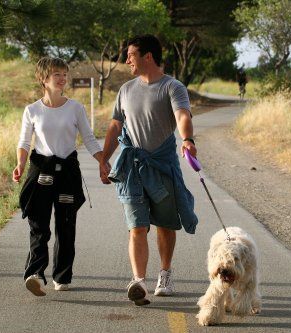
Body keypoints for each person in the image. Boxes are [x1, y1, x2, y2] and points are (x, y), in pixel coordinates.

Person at [99, 34, 198, 306]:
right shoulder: (126, 90)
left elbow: (182, 116)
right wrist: (104, 159)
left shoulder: (172, 87)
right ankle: (139, 281)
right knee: (137, 225)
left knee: (166, 224)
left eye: (131, 54)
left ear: (148, 57)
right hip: (133, 167)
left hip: (162, 164)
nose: (127, 59)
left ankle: (165, 274)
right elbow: (115, 126)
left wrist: (188, 139)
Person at [13, 57, 105, 296]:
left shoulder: (75, 108)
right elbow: (24, 142)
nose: (63, 78)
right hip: (41, 170)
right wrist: (20, 165)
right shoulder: (32, 110)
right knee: (38, 225)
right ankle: (35, 273)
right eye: (57, 74)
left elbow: (89, 139)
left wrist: (103, 162)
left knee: (66, 226)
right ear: (44, 78)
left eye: (65, 74)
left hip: (67, 173)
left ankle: (62, 276)